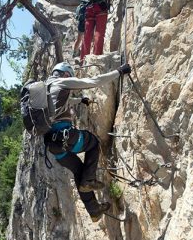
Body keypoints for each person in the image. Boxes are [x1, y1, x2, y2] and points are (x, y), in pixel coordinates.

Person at [43, 60, 131, 221]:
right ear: (65, 73)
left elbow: (62, 101)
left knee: (79, 172)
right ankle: (89, 180)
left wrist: (79, 101)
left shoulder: (45, 88)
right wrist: (119, 71)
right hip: (65, 136)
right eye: (70, 75)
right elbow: (93, 82)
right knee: (93, 143)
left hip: (53, 145)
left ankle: (94, 209)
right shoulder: (63, 81)